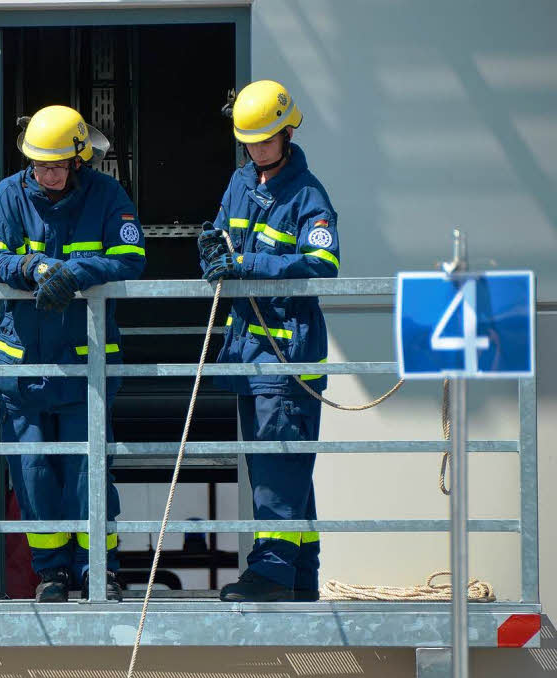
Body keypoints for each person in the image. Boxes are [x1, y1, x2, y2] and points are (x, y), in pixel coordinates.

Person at [0, 105, 146, 602]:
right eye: (38, 165)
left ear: (79, 160)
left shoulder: (107, 195)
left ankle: (99, 569)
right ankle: (52, 572)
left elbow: (131, 257)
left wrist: (78, 273)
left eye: (56, 165)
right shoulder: (8, 195)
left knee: (87, 472)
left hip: (86, 366)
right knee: (32, 474)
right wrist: (31, 268)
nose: (46, 174)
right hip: (23, 368)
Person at [197, 80, 339, 602]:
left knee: (278, 465)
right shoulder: (240, 183)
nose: (257, 149)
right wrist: (211, 253)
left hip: (287, 355)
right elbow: (218, 238)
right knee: (280, 464)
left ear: (287, 131)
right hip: (248, 353)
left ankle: (272, 574)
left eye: (265, 140)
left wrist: (248, 264)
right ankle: (299, 575)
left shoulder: (308, 195)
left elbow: (323, 264)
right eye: (249, 141)